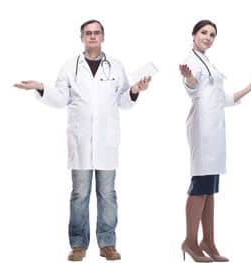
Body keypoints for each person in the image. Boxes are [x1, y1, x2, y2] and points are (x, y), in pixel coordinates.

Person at [11, 19, 152, 262]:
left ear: (103, 36)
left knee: (107, 194)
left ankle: (107, 243)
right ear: (82, 37)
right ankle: (78, 245)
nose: (93, 36)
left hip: (107, 141)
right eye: (88, 33)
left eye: (97, 33)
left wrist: (135, 91)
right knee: (79, 194)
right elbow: (59, 98)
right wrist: (42, 87)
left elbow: (123, 101)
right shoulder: (69, 67)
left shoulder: (116, 66)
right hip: (80, 142)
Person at [177, 19, 251, 263]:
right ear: (193, 34)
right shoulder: (190, 61)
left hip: (215, 130)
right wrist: (188, 78)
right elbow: (192, 84)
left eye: (212, 34)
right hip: (202, 130)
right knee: (200, 184)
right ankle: (190, 241)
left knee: (210, 189)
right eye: (204, 32)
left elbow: (221, 98)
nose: (208, 37)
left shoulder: (208, 61)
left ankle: (209, 241)